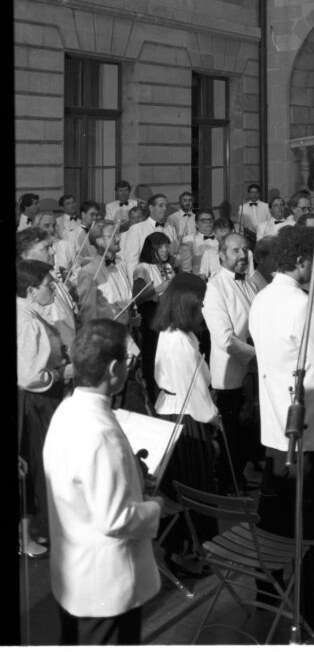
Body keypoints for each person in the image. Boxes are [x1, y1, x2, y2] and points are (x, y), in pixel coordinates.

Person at [248, 225, 314, 634]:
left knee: (274, 514)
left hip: (275, 421)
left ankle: (268, 591)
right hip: (308, 425)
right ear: (300, 262)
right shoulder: (303, 304)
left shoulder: (261, 298)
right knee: (312, 522)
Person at [43, 319, 164, 645]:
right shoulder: (99, 431)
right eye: (127, 361)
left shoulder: (66, 411)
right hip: (106, 588)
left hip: (75, 577)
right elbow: (115, 518)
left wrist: (134, 477)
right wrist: (155, 507)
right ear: (113, 368)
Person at [153, 273, 220, 569]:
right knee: (194, 485)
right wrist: (214, 418)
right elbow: (193, 390)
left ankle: (187, 547)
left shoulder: (177, 334)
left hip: (177, 411)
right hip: (186, 417)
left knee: (184, 484)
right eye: (200, 303)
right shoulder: (179, 341)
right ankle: (189, 550)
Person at [17, 259, 70, 556]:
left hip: (39, 399)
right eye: (48, 285)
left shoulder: (26, 311)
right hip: (36, 402)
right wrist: (62, 373)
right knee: (40, 465)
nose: (53, 288)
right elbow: (29, 376)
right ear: (31, 291)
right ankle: (33, 536)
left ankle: (32, 534)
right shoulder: (25, 322)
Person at [201, 232, 259, 494]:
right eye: (235, 251)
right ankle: (228, 483)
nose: (242, 255)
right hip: (230, 374)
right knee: (230, 434)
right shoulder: (215, 287)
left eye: (244, 250)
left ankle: (240, 478)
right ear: (221, 255)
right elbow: (225, 338)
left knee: (245, 431)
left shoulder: (249, 283)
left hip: (250, 372)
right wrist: (256, 355)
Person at [17, 227, 78, 352]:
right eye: (45, 248)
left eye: (51, 246)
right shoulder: (25, 289)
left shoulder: (55, 279)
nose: (53, 252)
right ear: (25, 255)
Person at [132, 232, 176, 401]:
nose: (165, 250)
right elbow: (137, 296)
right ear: (152, 249)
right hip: (152, 315)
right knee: (154, 358)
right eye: (161, 247)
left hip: (168, 315)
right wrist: (159, 288)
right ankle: (154, 395)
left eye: (167, 246)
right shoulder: (142, 268)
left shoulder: (168, 266)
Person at [76, 220, 135, 329]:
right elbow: (88, 315)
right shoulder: (88, 272)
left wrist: (132, 319)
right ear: (99, 241)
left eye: (118, 234)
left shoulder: (120, 265)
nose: (118, 238)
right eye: (113, 236)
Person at [120, 193, 179, 281]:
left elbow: (173, 255)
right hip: (147, 280)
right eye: (161, 206)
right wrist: (136, 285)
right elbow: (131, 261)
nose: (165, 209)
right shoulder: (136, 229)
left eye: (166, 206)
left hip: (168, 279)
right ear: (151, 208)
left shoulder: (171, 229)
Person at [237, 182, 271, 247]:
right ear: (249, 194)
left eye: (256, 192)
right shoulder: (242, 207)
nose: (254, 194)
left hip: (263, 237)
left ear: (259, 194)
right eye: (252, 192)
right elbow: (240, 225)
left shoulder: (266, 206)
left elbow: (269, 222)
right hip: (249, 238)